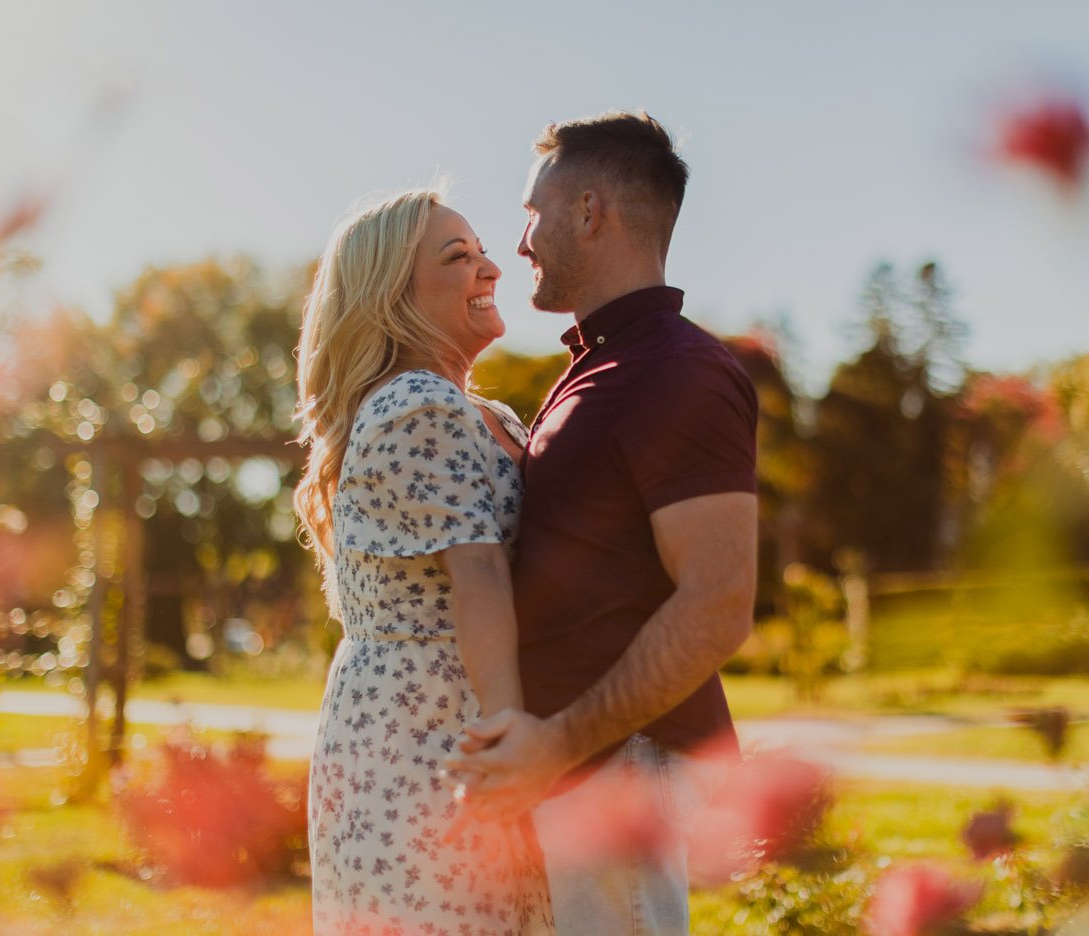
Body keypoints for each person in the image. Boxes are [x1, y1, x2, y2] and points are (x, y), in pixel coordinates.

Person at [447, 111, 760, 935]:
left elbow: (719, 602)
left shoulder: (675, 372)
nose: (520, 244)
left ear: (589, 211)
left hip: (624, 762)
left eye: (531, 213)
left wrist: (561, 744)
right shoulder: (600, 369)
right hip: (584, 766)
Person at [295, 189, 552, 935]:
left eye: (481, 250)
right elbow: (479, 575)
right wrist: (512, 742)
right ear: (392, 296)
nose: (492, 268)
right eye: (458, 257)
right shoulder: (415, 402)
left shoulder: (488, 413)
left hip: (444, 727)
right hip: (426, 745)